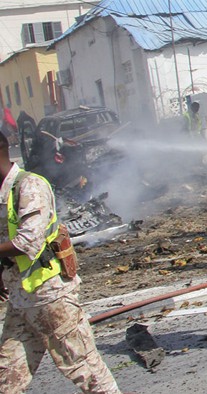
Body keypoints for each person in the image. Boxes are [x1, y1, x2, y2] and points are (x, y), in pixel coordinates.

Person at [0, 132, 121, 393]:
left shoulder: (29, 186)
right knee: (8, 379)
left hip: (50, 297)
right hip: (21, 299)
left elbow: (27, 242)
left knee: (87, 371)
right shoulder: (3, 192)